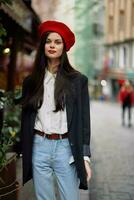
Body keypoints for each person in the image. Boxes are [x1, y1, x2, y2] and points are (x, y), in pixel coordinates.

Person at [21, 20, 92, 200]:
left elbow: (84, 121)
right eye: (48, 41)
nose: (52, 45)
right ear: (43, 45)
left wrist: (85, 157)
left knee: (70, 197)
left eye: (57, 42)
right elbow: (26, 118)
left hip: (65, 148)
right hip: (39, 146)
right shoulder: (31, 82)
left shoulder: (78, 81)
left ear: (64, 48)